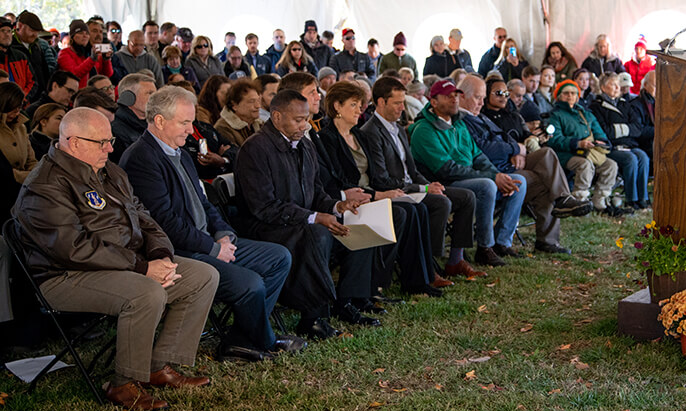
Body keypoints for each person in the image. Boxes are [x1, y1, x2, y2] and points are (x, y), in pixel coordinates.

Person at [13, 107, 220, 411]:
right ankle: (124, 384)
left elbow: (144, 218)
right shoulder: (45, 185)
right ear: (74, 142)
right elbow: (73, 249)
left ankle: (157, 367)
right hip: (64, 276)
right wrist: (142, 267)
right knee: (145, 293)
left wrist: (160, 255)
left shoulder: (108, 170)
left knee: (202, 276)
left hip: (123, 264)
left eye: (110, 140)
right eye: (102, 142)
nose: (111, 148)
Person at [120, 86, 303, 362]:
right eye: (184, 122)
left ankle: (241, 339)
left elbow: (204, 202)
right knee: (251, 283)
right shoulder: (141, 158)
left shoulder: (178, 152)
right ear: (159, 121)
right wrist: (212, 248)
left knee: (278, 257)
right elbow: (163, 224)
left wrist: (223, 235)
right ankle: (263, 340)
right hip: (179, 251)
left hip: (206, 241)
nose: (192, 130)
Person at [234, 90, 378, 337]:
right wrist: (314, 217)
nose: (304, 125)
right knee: (318, 233)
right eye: (298, 120)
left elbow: (317, 194)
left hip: (298, 222)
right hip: (264, 227)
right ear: (276, 117)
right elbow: (263, 207)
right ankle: (313, 317)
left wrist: (336, 207)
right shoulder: (255, 148)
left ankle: (348, 301)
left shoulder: (306, 146)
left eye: (306, 119)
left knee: (356, 224)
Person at [315, 82, 448, 297]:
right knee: (401, 213)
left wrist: (385, 192)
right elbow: (337, 179)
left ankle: (417, 280)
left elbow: (376, 174)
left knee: (417, 209)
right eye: (354, 105)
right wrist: (377, 195)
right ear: (337, 106)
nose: (360, 110)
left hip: (371, 194)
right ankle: (378, 283)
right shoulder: (328, 139)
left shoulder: (358, 135)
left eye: (360, 105)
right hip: (352, 201)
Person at [360, 76, 483, 278]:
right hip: (396, 192)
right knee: (440, 203)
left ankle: (455, 260)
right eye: (398, 103)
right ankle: (428, 265)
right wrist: (424, 189)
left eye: (403, 102)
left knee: (466, 197)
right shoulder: (371, 132)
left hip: (413, 187)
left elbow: (412, 170)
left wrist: (430, 185)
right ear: (381, 102)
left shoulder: (398, 128)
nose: (403, 108)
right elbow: (381, 180)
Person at [459, 76, 592, 253]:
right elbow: (483, 149)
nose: (481, 103)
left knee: (546, 153)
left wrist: (521, 147)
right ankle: (531, 237)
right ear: (462, 96)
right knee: (544, 181)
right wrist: (515, 148)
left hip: (513, 160)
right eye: (479, 97)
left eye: (506, 93)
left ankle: (560, 205)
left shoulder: (499, 116)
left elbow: (505, 137)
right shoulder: (463, 119)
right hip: (496, 168)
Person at [407, 79, 527, 266]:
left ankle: (502, 242)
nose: (455, 100)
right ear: (434, 102)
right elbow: (447, 169)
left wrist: (498, 175)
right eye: (448, 97)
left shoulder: (459, 125)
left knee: (518, 180)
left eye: (456, 95)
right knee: (487, 185)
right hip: (442, 183)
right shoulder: (424, 130)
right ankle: (484, 248)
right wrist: (492, 177)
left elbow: (478, 156)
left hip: (467, 176)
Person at [548, 79, 620, 216]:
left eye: (573, 93)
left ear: (578, 96)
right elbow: (554, 140)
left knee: (611, 165)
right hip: (566, 154)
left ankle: (600, 198)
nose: (570, 96)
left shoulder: (586, 114)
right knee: (584, 165)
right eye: (566, 93)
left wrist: (600, 142)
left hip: (589, 152)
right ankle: (580, 201)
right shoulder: (556, 115)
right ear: (559, 96)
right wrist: (578, 143)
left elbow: (600, 133)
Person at [589, 73, 650, 210]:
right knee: (630, 159)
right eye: (613, 84)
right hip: (611, 148)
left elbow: (637, 128)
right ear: (603, 88)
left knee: (643, 157)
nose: (617, 87)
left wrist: (620, 129)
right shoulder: (597, 107)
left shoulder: (625, 105)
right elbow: (605, 131)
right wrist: (627, 128)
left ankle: (643, 197)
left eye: (618, 84)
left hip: (629, 145)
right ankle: (631, 198)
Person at [110, 73, 158, 163]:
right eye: (149, 93)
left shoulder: (154, 125)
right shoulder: (115, 131)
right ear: (127, 98)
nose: (155, 99)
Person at [57, 19, 112, 87]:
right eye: (80, 33)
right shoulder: (65, 53)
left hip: (94, 92)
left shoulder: (90, 53)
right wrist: (92, 59)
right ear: (72, 36)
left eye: (87, 33)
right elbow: (74, 75)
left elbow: (107, 75)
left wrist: (106, 59)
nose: (84, 35)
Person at [0, 82, 36, 182]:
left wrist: (35, 174)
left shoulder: (21, 128)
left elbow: (31, 161)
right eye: (13, 108)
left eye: (19, 108)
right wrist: (26, 177)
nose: (17, 113)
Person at [214, 78, 262, 147]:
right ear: (234, 105)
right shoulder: (223, 128)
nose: (258, 106)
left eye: (258, 101)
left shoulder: (260, 124)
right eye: (251, 101)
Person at [0, 17, 33, 100]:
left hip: (21, 105)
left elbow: (33, 81)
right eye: (3, 31)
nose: (7, 34)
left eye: (9, 31)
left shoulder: (21, 56)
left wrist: (21, 98)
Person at [630, 71, 656, 161]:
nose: (659, 90)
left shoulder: (660, 103)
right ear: (645, 84)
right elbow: (639, 131)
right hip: (643, 144)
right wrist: (659, 130)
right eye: (655, 86)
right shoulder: (636, 105)